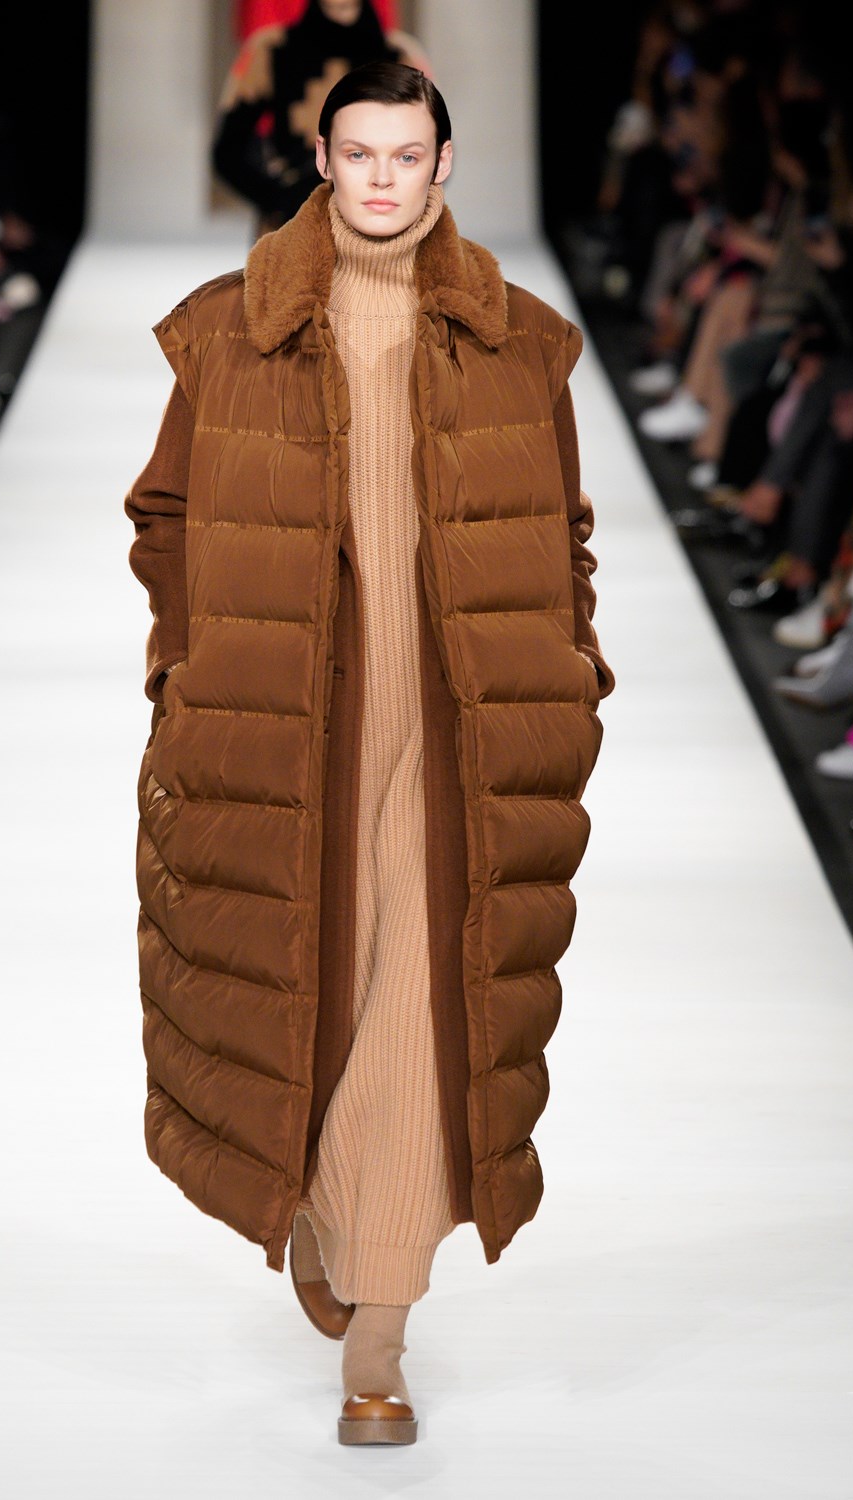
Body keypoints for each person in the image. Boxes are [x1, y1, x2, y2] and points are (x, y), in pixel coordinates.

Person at [125, 60, 615, 1446]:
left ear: (444, 165)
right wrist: (184, 665)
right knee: (315, 982)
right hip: (292, 716)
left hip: (458, 726)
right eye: (361, 154)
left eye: (408, 155)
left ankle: (380, 1336)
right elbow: (165, 515)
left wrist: (571, 671)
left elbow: (564, 533)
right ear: (322, 162)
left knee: (421, 996)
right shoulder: (227, 333)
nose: (384, 178)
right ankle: (319, 1207)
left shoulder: (524, 345)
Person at [211, 0, 430, 238]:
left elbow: (433, 150)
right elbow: (229, 149)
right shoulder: (272, 50)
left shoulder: (398, 55)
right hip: (290, 233)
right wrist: (280, 200)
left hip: (378, 238)